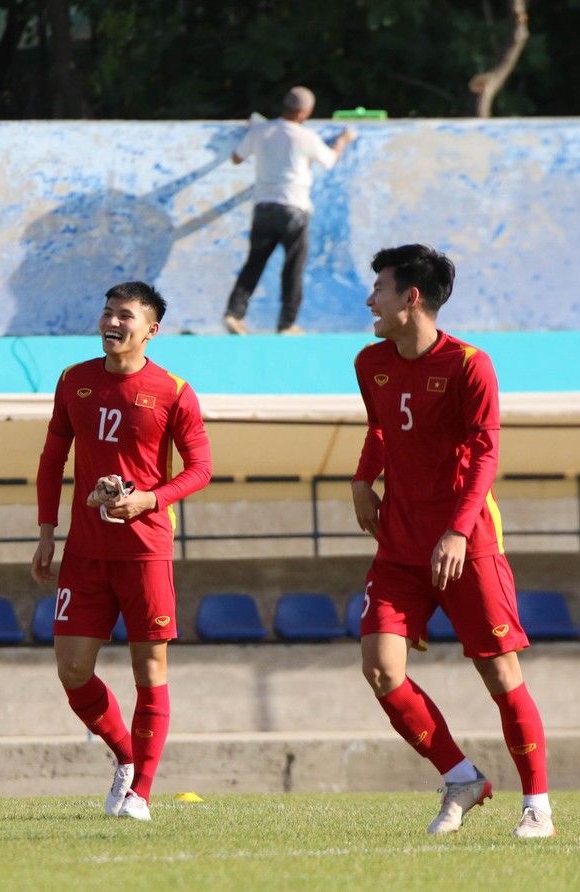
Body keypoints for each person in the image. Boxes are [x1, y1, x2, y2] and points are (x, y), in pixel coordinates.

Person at [351, 244, 554, 838]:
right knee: (381, 668)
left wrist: (457, 532)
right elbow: (381, 430)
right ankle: (462, 777)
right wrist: (364, 477)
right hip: (398, 546)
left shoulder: (469, 364)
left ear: (411, 297)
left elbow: (487, 453)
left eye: (380, 289)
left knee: (500, 675)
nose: (371, 300)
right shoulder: (370, 363)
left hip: (466, 543)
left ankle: (537, 803)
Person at [31, 281, 212, 822]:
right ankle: (129, 758)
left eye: (125, 316)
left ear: (150, 329)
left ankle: (141, 795)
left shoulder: (174, 390)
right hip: (85, 554)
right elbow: (50, 460)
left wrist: (148, 500)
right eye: (107, 312)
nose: (113, 322)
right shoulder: (74, 379)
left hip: (145, 551)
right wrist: (46, 531)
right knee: (72, 670)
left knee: (149, 668)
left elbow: (201, 469)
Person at [222, 86, 356, 335]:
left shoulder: (261, 130)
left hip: (264, 207)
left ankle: (234, 313)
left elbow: (236, 158)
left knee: (254, 263)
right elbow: (330, 160)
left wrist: (255, 132)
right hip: (294, 208)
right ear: (304, 112)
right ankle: (287, 323)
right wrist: (343, 141)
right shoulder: (305, 137)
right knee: (293, 267)